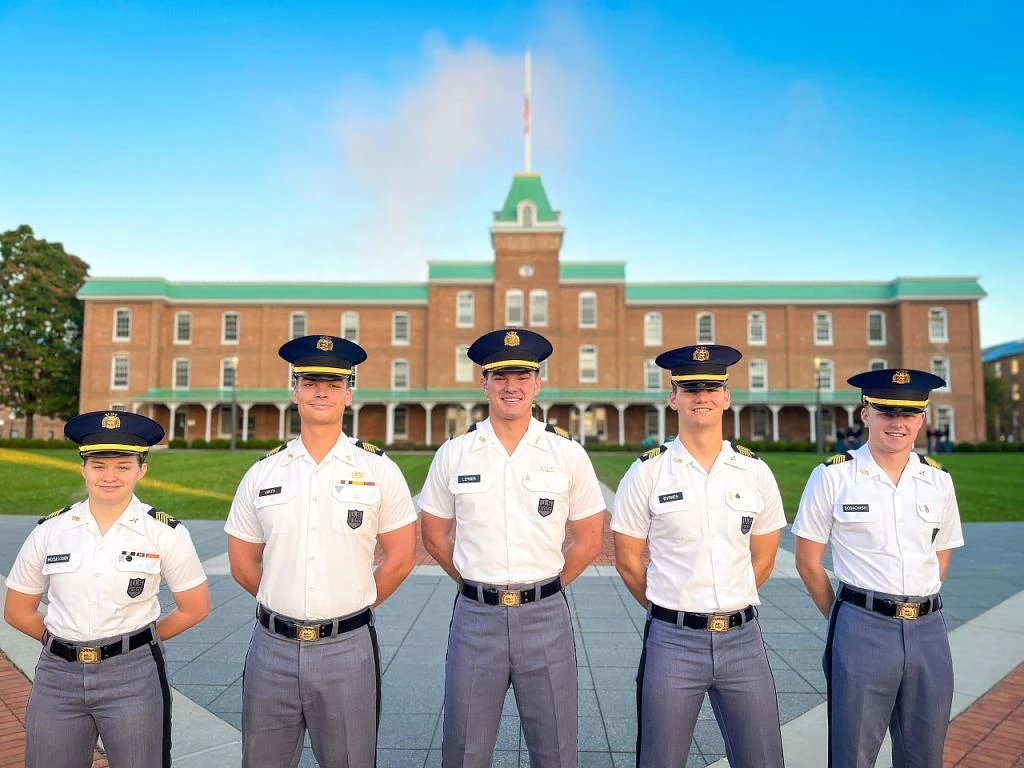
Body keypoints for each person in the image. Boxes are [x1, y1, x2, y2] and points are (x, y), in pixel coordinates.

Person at [225, 335, 417, 768]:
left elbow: (402, 557)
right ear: (294, 391)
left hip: (347, 649)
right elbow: (241, 562)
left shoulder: (378, 469)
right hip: (272, 649)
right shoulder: (263, 472)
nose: (321, 392)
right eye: (310, 383)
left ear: (349, 394)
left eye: (333, 384)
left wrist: (348, 604)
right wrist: (286, 598)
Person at [419, 328, 606, 768]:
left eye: (522, 376)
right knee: (464, 749)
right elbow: (433, 533)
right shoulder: (456, 452)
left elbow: (590, 537)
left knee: (555, 748)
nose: (511, 387)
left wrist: (549, 586)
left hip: (545, 616)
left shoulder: (566, 453)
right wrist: (471, 580)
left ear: (537, 383)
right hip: (476, 617)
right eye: (500, 376)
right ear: (483, 383)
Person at [611, 344, 787, 767]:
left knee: (762, 758)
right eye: (690, 389)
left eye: (711, 388)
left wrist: (727, 595)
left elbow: (764, 556)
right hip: (673, 640)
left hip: (743, 640)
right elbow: (628, 559)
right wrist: (674, 606)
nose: (701, 397)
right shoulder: (647, 472)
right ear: (673, 397)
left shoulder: (754, 471)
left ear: (726, 396)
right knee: (661, 758)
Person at [4, 411, 210, 768]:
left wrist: (137, 643)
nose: (110, 476)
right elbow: (17, 609)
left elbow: (195, 606)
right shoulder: (50, 531)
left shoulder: (164, 532)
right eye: (98, 466)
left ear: (141, 470)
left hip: (133, 676)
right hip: (58, 677)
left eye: (123, 466)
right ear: (83, 468)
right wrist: (62, 643)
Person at [792, 368, 963, 768]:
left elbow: (941, 552)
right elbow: (807, 561)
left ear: (922, 418)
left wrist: (917, 601)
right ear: (865, 413)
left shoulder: (938, 480)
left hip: (928, 631)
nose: (897, 422)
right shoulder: (834, 476)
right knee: (853, 754)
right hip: (862, 627)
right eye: (886, 411)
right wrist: (845, 616)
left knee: (925, 754)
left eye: (909, 413)